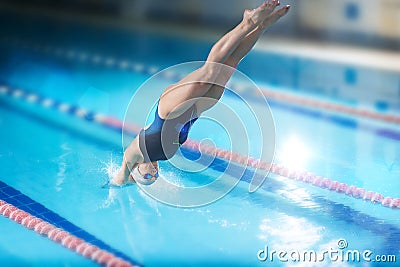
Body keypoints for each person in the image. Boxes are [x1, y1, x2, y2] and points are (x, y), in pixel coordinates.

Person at [112, 1, 290, 186]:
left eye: (147, 176)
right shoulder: (165, 156)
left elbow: (120, 177)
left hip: (169, 109)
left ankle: (247, 22)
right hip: (195, 110)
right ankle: (262, 26)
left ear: (137, 168)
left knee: (210, 70)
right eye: (154, 178)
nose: (154, 175)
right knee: (229, 64)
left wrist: (121, 180)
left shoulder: (135, 153)